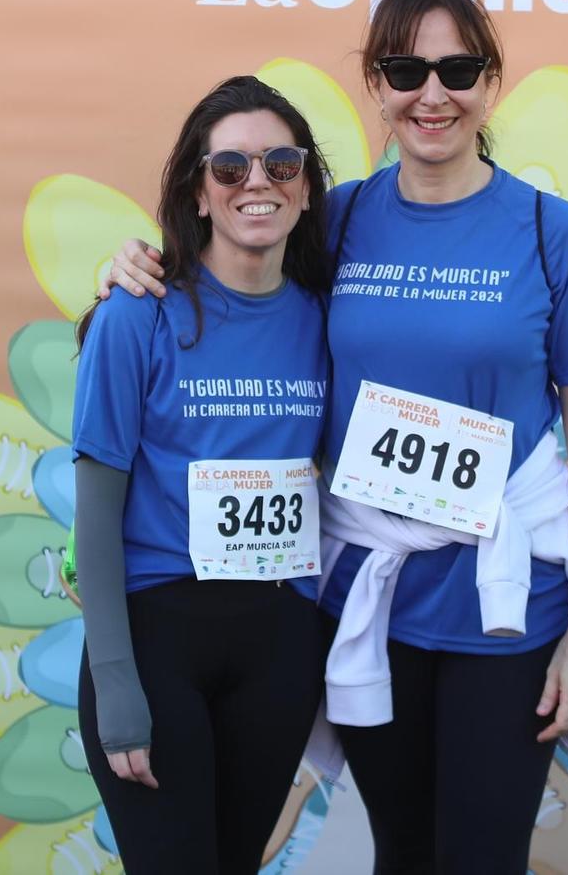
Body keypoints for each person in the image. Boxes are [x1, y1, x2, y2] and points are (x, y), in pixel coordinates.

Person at [105, 0, 568, 875]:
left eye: (457, 68)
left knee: (479, 858)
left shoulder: (553, 233)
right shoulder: (338, 217)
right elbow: (235, 282)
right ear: (377, 87)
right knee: (403, 852)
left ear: (491, 83)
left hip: (506, 611)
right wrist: (137, 266)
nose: (433, 93)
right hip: (371, 604)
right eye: (406, 68)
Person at [72, 74, 335, 875]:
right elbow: (94, 516)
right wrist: (117, 683)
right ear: (197, 190)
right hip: (158, 644)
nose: (257, 182)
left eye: (281, 163)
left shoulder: (331, 317)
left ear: (305, 187)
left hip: (280, 645)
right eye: (230, 167)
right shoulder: (136, 312)